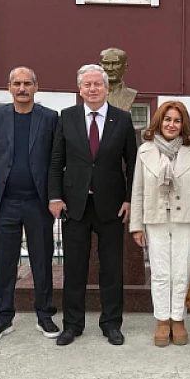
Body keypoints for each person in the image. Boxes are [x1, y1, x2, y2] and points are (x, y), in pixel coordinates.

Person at [48, 64, 138, 347]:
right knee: (75, 267)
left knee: (112, 268)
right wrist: (54, 197)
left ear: (106, 88)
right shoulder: (67, 117)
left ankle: (111, 323)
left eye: (97, 84)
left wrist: (129, 199)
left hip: (112, 205)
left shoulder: (122, 119)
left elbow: (133, 162)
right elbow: (56, 161)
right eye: (87, 85)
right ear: (80, 89)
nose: (92, 89)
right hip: (75, 205)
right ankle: (72, 324)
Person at [0, 66, 60, 342]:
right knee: (5, 263)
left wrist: (53, 196)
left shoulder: (50, 118)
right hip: (7, 203)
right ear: (9, 87)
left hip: (38, 204)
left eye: (27, 83)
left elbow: (55, 160)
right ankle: (3, 318)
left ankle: (45, 315)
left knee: (42, 261)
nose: (22, 88)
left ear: (36, 87)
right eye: (17, 83)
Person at [129, 101, 190, 346]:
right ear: (158, 122)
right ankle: (162, 320)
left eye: (176, 120)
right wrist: (136, 225)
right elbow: (138, 189)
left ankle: (178, 319)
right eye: (167, 120)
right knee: (161, 272)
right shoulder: (145, 151)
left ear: (183, 124)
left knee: (181, 272)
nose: (171, 125)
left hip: (185, 218)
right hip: (156, 218)